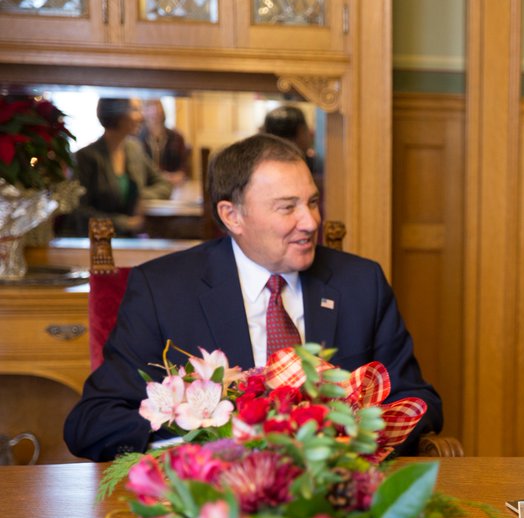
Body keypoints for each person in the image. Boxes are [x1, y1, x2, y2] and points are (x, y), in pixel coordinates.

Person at [64, 133, 442, 461]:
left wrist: (348, 434)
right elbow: (92, 422)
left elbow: (420, 402)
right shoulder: (163, 291)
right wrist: (209, 433)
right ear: (232, 216)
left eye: (312, 202)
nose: (311, 222)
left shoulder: (361, 283)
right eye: (287, 207)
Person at [62, 98, 174, 236]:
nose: (142, 116)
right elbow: (77, 211)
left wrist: (140, 196)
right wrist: (124, 223)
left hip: (130, 242)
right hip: (98, 243)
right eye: (135, 110)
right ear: (117, 115)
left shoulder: (134, 149)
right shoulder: (86, 157)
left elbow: (163, 184)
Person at [137, 98, 191, 187]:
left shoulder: (177, 137)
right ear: (144, 112)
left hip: (173, 185)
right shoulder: (136, 139)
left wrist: (175, 176)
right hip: (146, 185)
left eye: (157, 106)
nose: (155, 111)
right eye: (150, 107)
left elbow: (183, 169)